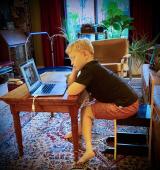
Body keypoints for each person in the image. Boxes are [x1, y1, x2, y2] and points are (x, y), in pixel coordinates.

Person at [65, 38, 139, 165]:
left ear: (85, 54)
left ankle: (89, 150)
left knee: (87, 111)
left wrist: (75, 71)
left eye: (73, 58)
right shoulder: (92, 67)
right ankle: (80, 131)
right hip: (130, 101)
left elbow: (71, 90)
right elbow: (78, 90)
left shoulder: (89, 70)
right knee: (86, 108)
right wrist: (76, 70)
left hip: (126, 106)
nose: (72, 62)